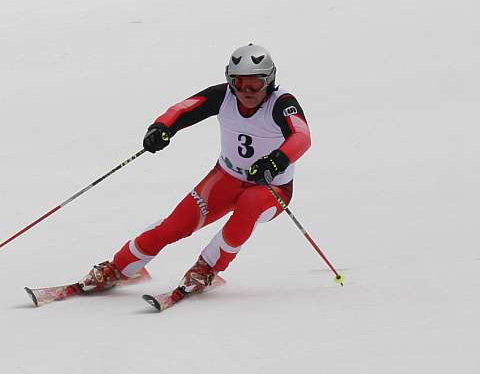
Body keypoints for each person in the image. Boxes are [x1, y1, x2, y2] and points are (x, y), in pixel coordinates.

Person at [83, 44, 312, 296]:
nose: (246, 91)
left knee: (249, 203)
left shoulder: (282, 103)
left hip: (272, 186)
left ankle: (207, 269)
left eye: (254, 85)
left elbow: (301, 136)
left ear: (269, 81)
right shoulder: (223, 96)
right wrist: (161, 128)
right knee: (175, 225)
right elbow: (183, 109)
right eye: (238, 83)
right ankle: (119, 268)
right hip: (226, 178)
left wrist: (277, 160)